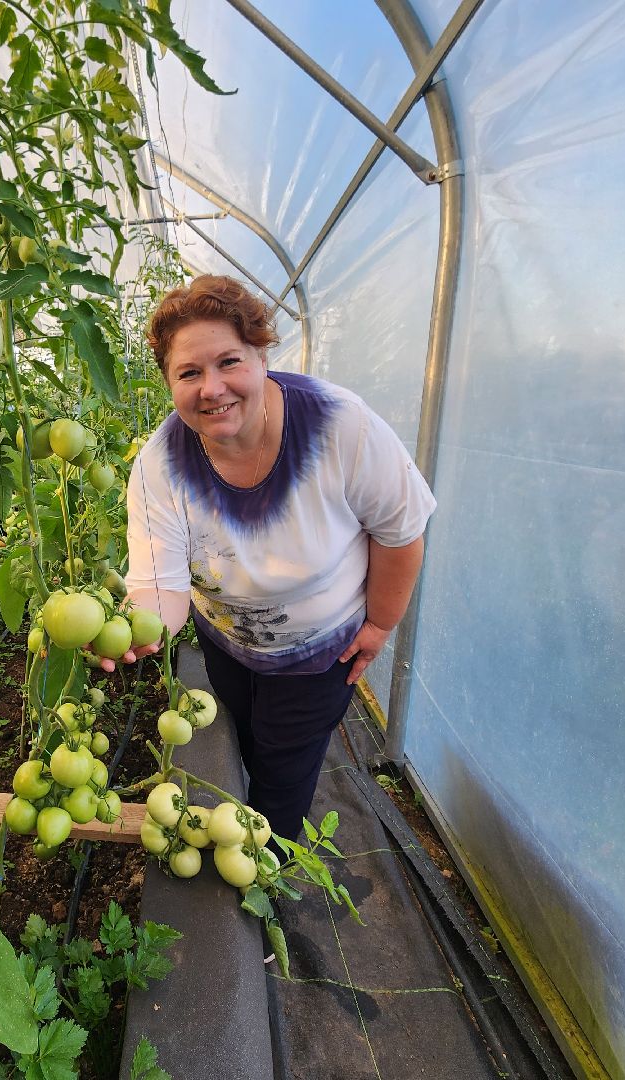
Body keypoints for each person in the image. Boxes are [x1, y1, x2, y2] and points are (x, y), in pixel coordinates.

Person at [122, 275, 436, 845]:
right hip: (225, 637)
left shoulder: (339, 425)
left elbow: (400, 532)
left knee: (283, 767)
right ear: (170, 382)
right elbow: (159, 585)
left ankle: (273, 863)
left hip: (322, 652)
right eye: (189, 373)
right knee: (241, 734)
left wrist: (382, 624)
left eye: (228, 362)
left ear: (262, 353)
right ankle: (256, 838)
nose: (212, 388)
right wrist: (135, 631)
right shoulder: (159, 465)